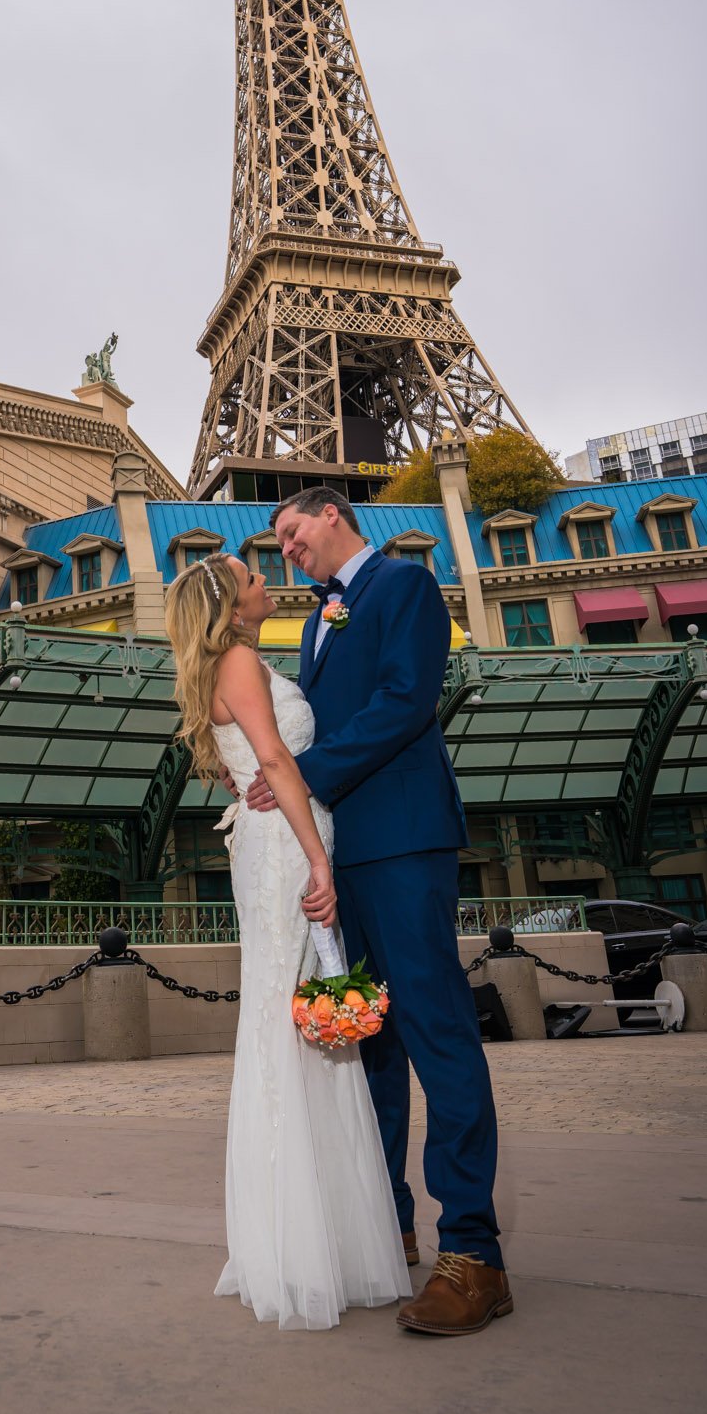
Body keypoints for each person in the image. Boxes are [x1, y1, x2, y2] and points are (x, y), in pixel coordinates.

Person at [243, 486, 512, 1336]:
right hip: (338, 853)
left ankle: (474, 1252)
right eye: (277, 543)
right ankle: (386, 1223)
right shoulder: (319, 618)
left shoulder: (401, 585)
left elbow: (405, 702)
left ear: (332, 515)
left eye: (291, 532)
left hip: (400, 839)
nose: (286, 550)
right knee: (370, 1040)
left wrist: (301, 776)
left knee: (435, 1030)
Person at [165, 550, 410, 1330]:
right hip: (284, 850)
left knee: (298, 1026)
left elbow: (267, 763)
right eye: (253, 576)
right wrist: (316, 859)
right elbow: (273, 758)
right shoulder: (238, 659)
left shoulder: (230, 663)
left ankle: (310, 1236)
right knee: (293, 1027)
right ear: (231, 604)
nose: (268, 580)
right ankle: (304, 1241)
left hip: (271, 839)